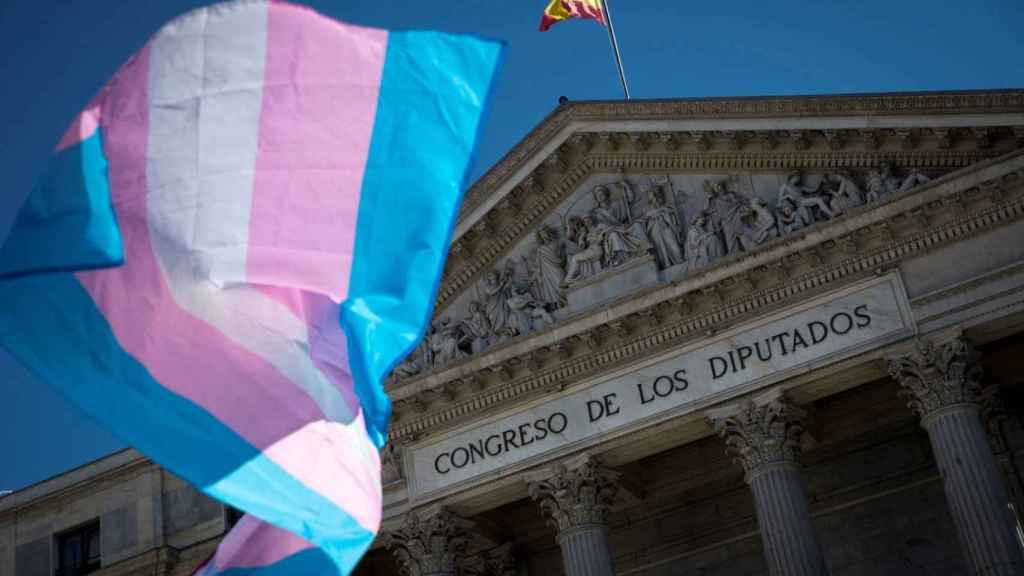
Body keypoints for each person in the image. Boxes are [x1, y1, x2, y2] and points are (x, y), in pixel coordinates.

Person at [642, 186, 685, 268]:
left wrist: (662, 213)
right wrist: (652, 218)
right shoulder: (648, 213)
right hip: (655, 231)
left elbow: (672, 218)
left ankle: (679, 261)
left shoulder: (667, 208)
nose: (655, 198)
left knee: (674, 246)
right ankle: (666, 265)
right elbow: (646, 225)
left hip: (666, 228)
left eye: (656, 196)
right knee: (661, 249)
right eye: (652, 197)